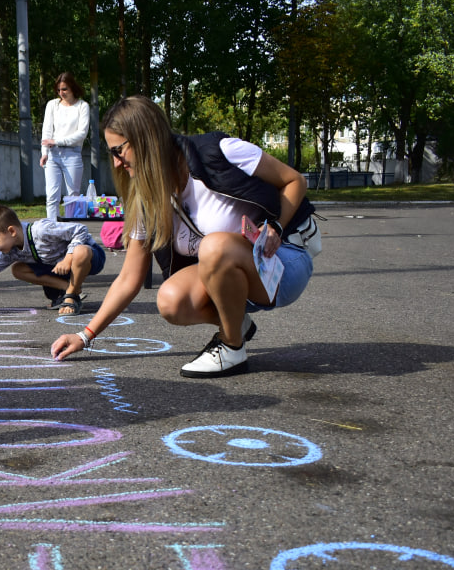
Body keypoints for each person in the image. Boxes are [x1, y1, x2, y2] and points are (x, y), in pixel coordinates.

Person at [51, 96, 319, 378]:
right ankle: (236, 324)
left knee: (214, 246)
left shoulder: (219, 152)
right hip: (234, 280)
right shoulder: (148, 198)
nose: (116, 164)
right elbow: (129, 278)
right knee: (170, 300)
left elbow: (294, 181)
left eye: (119, 151)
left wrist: (275, 226)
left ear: (145, 140)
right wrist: (85, 335)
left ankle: (231, 347)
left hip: (283, 261)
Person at [0, 204, 106, 317]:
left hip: (89, 258)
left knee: (81, 251)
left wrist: (69, 257)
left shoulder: (41, 230)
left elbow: (80, 229)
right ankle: (67, 289)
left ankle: (71, 296)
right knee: (18, 269)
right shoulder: (11, 252)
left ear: (12, 231)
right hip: (57, 267)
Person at [40, 72, 91, 220]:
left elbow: (82, 133)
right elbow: (47, 131)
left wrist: (58, 141)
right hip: (52, 154)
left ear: (73, 88)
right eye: (58, 90)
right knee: (52, 196)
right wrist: (44, 153)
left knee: (72, 196)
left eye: (64, 89)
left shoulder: (82, 106)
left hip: (73, 154)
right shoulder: (52, 105)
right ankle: (52, 229)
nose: (61, 93)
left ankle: (71, 228)